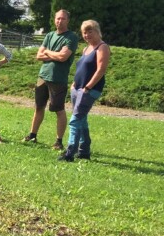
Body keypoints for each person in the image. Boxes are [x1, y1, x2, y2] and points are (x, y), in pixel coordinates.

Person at [24, 9, 78, 150]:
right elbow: (39, 56)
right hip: (43, 76)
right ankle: (33, 135)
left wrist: (47, 52)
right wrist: (52, 53)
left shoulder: (71, 37)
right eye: (57, 18)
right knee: (38, 107)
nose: (60, 21)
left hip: (58, 78)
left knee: (58, 110)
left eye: (63, 19)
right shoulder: (49, 35)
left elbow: (63, 57)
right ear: (54, 19)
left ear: (68, 20)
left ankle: (58, 141)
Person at [60, 20, 110, 162]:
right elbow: (82, 68)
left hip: (90, 90)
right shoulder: (86, 48)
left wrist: (88, 87)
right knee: (82, 120)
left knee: (75, 120)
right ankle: (84, 150)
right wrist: (75, 84)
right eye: (84, 32)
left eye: (90, 31)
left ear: (97, 31)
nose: (87, 35)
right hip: (78, 89)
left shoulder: (102, 47)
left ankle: (70, 153)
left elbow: (101, 69)